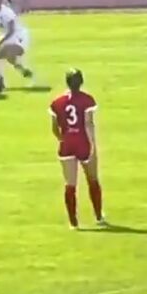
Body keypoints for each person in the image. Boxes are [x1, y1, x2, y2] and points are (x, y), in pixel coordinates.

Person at [49, 69, 105, 229]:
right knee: (92, 178)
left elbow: (54, 127)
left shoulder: (57, 102)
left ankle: (73, 222)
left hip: (66, 144)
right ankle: (99, 216)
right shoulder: (87, 100)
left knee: (70, 183)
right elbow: (88, 123)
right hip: (83, 143)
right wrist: (93, 145)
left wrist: (62, 138)